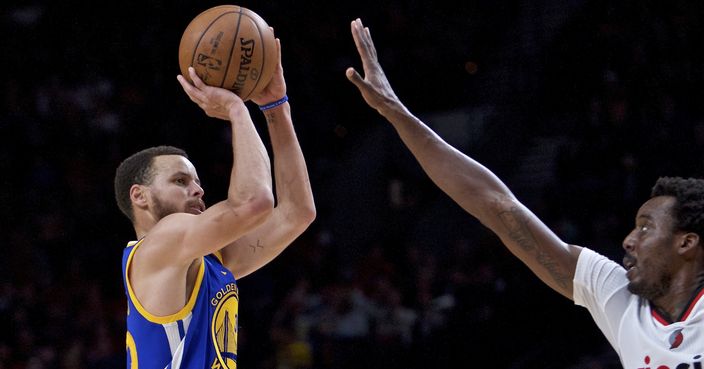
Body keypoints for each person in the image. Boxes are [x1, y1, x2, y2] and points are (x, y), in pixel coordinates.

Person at [345, 18, 704, 368]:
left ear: (686, 243)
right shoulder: (618, 297)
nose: (628, 240)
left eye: (645, 228)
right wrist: (397, 113)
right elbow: (496, 205)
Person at [114, 35, 316, 369]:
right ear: (140, 196)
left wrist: (276, 107)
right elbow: (255, 202)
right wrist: (238, 109)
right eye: (180, 181)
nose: (198, 190)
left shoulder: (207, 263)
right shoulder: (157, 245)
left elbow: (297, 212)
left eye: (197, 181)